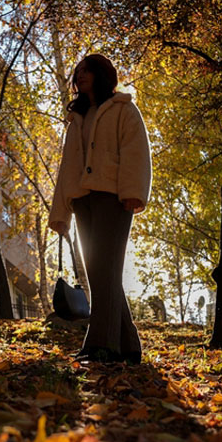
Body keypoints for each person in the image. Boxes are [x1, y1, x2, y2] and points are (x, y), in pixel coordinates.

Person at [48, 54, 152, 365]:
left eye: (85, 71)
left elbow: (136, 150)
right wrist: (60, 214)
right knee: (99, 273)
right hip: (82, 200)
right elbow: (68, 167)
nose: (79, 76)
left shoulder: (123, 109)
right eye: (77, 72)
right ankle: (129, 345)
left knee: (106, 271)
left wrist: (133, 193)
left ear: (100, 74)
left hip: (113, 198)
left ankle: (101, 346)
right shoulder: (78, 117)